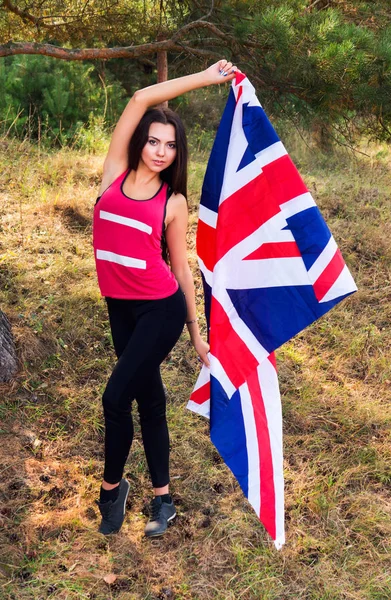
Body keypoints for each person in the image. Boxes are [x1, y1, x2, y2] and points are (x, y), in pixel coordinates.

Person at [92, 59, 238, 537]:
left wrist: (198, 334)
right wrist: (206, 77)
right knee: (149, 401)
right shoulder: (113, 174)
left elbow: (180, 270)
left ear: (178, 154)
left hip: (161, 309)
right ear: (139, 142)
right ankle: (164, 501)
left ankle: (111, 492)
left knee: (116, 398)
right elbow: (140, 99)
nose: (160, 151)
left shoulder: (171, 203)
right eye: (154, 141)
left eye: (171, 146)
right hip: (120, 308)